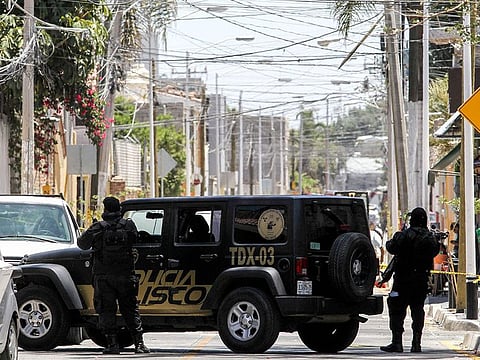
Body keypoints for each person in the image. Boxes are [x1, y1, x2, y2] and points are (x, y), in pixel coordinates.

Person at [78, 196, 150, 354]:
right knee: (130, 309)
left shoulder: (98, 227)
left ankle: (112, 345)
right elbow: (137, 240)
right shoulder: (129, 225)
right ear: (119, 209)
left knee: (106, 310)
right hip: (125, 275)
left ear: (105, 210)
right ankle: (139, 344)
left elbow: (82, 244)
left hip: (104, 278)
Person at [380, 207, 439, 353]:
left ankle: (397, 342)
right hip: (421, 280)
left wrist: (400, 234)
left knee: (396, 310)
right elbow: (435, 251)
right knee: (418, 310)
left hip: (403, 280)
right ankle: (416, 343)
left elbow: (390, 247)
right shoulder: (430, 238)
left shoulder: (404, 236)